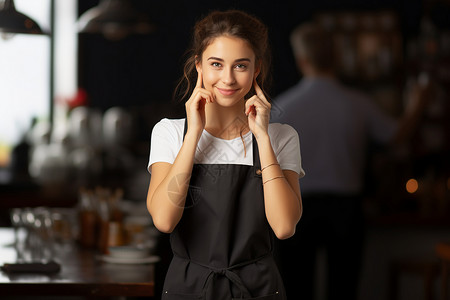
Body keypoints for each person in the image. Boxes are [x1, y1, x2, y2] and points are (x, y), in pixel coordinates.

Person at [146, 10, 304, 300]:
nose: (228, 78)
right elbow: (164, 221)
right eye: (216, 64)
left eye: (240, 66)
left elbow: (283, 227)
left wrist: (262, 137)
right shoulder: (170, 133)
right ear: (199, 67)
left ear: (256, 69)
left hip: (258, 290)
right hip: (189, 289)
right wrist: (194, 134)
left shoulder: (281, 136)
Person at [271, 22, 431, 300]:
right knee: (343, 290)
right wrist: (418, 102)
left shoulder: (282, 107)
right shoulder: (358, 103)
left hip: (296, 206)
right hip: (346, 209)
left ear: (302, 60)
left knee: (296, 289)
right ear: (335, 57)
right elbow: (397, 136)